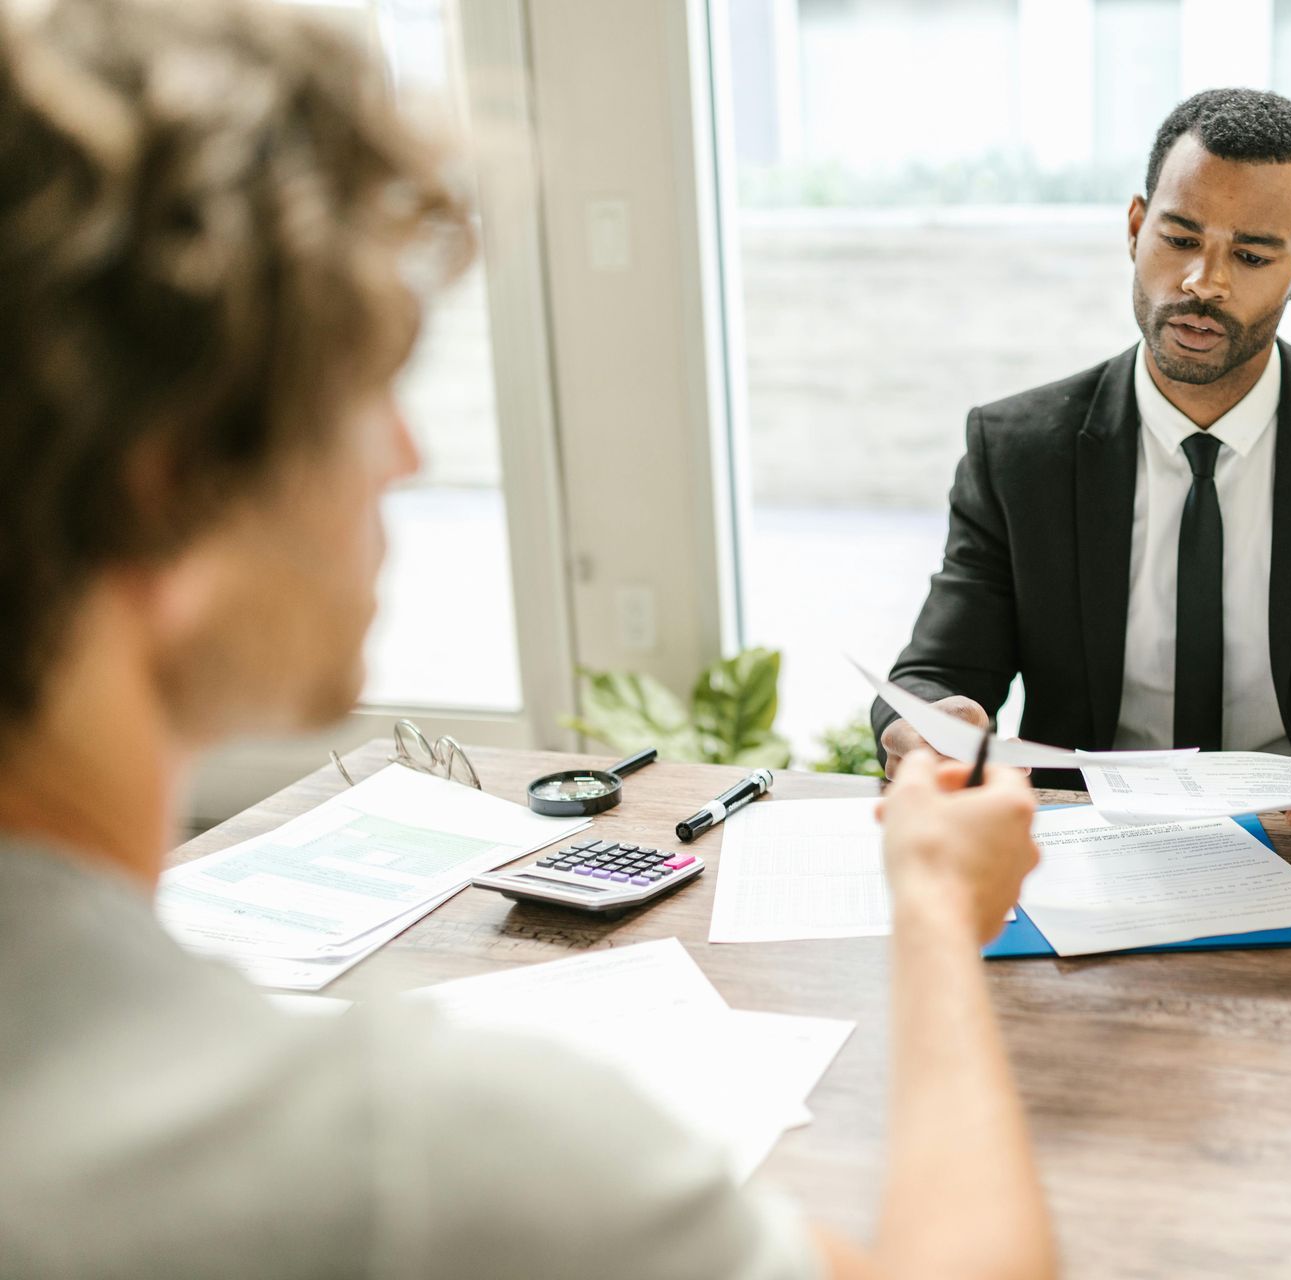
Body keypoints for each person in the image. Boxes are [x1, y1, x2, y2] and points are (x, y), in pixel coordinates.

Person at [0, 2, 1053, 1277]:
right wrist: (938, 908)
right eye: (364, 386)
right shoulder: (402, 1157)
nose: (406, 452)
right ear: (167, 491)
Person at [874, 88, 1291, 832]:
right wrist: (929, 724)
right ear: (1135, 227)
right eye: (1180, 238)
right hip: (1083, 852)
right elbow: (935, 675)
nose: (1203, 283)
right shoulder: (1018, 450)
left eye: (1251, 255)